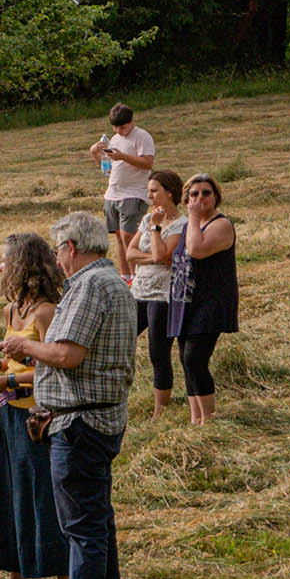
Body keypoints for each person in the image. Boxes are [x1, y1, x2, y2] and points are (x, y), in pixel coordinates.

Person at [0, 211, 134, 579]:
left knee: (82, 526)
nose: (57, 261)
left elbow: (67, 355)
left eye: (59, 250)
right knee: (97, 519)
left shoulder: (90, 286)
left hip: (81, 421)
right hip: (99, 415)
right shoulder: (111, 282)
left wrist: (26, 345)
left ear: (71, 248)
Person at [0, 233, 69, 579]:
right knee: (7, 491)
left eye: (5, 260)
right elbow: (18, 359)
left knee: (41, 495)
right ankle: (16, 577)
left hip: (37, 418)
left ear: (23, 266)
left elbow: (55, 366)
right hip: (8, 414)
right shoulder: (12, 309)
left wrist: (8, 378)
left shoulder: (46, 312)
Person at [171, 172, 238, 426]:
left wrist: (194, 216)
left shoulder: (221, 224)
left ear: (216, 197)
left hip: (211, 302)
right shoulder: (192, 224)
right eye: (194, 194)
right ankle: (195, 418)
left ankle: (208, 419)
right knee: (185, 360)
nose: (200, 198)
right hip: (186, 301)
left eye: (206, 193)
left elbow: (197, 251)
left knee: (195, 359)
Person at [131, 169, 183, 418]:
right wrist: (152, 256)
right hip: (138, 291)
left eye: (154, 191)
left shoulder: (180, 225)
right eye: (148, 191)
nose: (149, 196)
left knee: (157, 352)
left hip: (163, 295)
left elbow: (165, 256)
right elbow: (130, 253)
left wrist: (155, 230)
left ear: (170, 193)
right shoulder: (146, 219)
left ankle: (159, 411)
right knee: (122, 338)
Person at [90, 103, 156, 278]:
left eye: (123, 127)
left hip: (134, 193)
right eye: (115, 127)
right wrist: (96, 154)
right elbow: (109, 169)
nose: (119, 131)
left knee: (130, 236)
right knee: (119, 237)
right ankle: (125, 276)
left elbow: (147, 163)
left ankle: (137, 276)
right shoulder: (115, 139)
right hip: (113, 193)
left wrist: (122, 156)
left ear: (131, 121)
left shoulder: (142, 137)